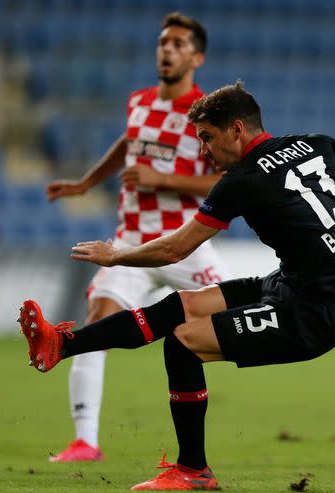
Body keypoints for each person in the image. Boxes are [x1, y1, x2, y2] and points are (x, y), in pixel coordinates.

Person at [19, 81, 335, 490]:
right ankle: (61, 344)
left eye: (206, 138)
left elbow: (175, 250)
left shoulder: (242, 179)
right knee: (177, 307)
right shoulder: (320, 144)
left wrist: (116, 256)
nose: (202, 150)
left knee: (183, 343)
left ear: (237, 130)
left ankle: (193, 469)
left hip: (311, 312)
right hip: (291, 285)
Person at [42, 12, 231, 463]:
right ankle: (85, 439)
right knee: (97, 324)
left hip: (183, 242)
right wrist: (86, 183)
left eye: (179, 44)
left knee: (242, 307)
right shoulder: (140, 102)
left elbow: (226, 182)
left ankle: (323, 313)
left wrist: (161, 179)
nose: (168, 49)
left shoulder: (208, 114)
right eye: (164, 42)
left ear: (197, 57)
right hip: (131, 242)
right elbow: (129, 145)